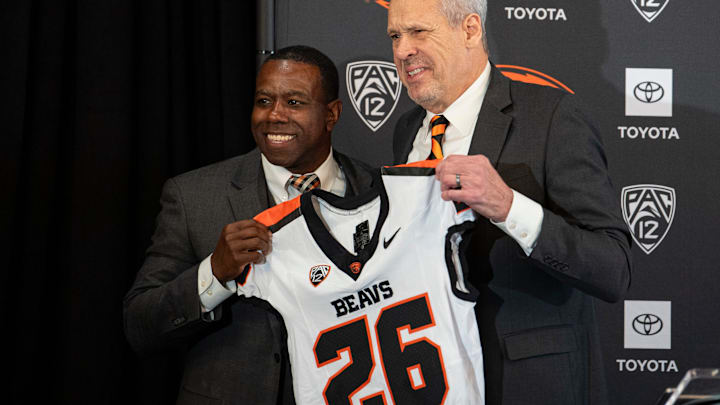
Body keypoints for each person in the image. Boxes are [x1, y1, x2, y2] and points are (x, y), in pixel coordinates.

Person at [387, 0, 632, 404]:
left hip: (526, 384)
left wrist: (508, 206)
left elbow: (612, 268)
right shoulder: (407, 129)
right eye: (395, 36)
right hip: (435, 381)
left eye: (418, 32)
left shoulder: (552, 117)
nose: (401, 50)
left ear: (469, 30)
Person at [123, 45, 374, 405]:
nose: (274, 116)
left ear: (332, 114)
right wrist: (214, 273)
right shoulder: (193, 196)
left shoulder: (377, 190)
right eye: (263, 101)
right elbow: (139, 326)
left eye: (294, 102)